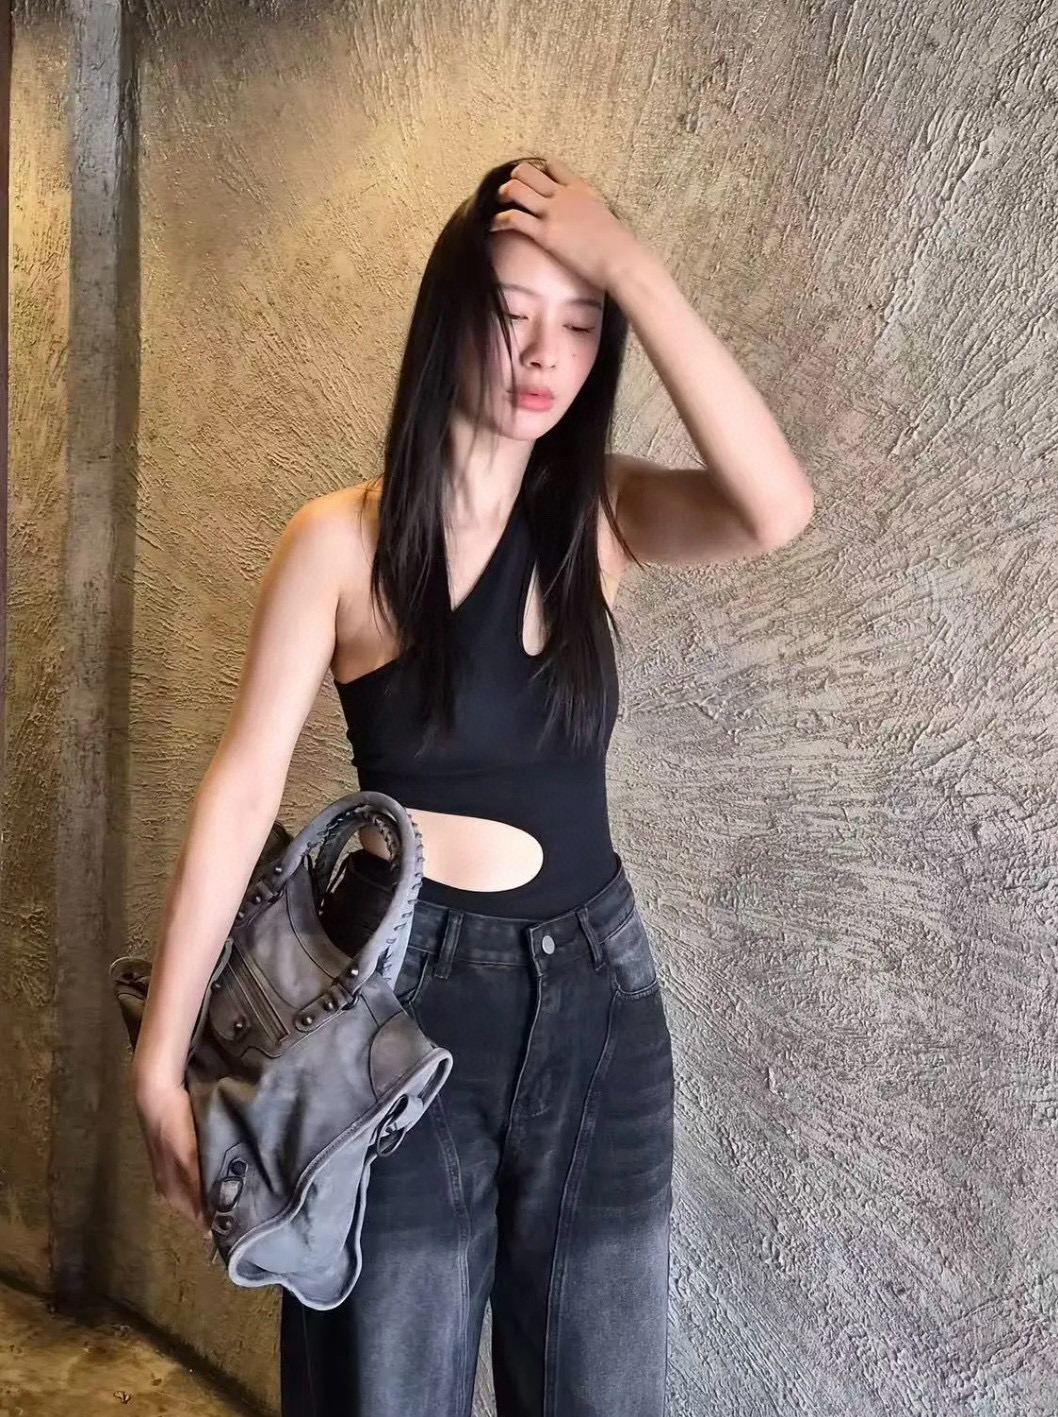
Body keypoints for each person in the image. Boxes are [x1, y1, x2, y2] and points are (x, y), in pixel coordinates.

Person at [129, 155, 814, 1416]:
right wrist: (159, 1057)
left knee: (599, 1391)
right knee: (383, 1389)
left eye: (582, 321)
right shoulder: (338, 542)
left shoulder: (600, 515)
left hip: (597, 1000)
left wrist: (632, 268)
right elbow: (239, 790)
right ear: (447, 317)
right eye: (510, 315)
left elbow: (773, 507)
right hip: (400, 1011)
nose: (544, 355)